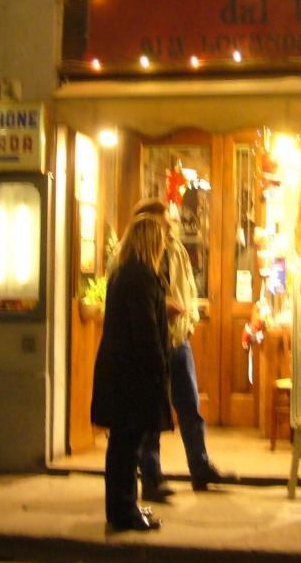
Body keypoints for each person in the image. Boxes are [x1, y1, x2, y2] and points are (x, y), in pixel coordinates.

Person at [130, 199, 235, 500]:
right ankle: (152, 478)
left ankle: (200, 468)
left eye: (170, 225)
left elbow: (187, 285)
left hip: (178, 341)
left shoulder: (175, 249)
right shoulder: (131, 253)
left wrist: (191, 319)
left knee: (190, 406)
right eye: (164, 225)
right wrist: (162, 308)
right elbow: (133, 297)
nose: (169, 230)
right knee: (152, 413)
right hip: (152, 343)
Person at [90, 215, 173, 532]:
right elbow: (145, 330)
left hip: (122, 374)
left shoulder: (126, 274)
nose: (163, 247)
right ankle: (123, 511)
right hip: (132, 378)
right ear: (150, 241)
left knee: (125, 444)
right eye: (161, 241)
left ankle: (124, 506)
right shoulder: (140, 277)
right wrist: (159, 367)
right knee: (126, 446)